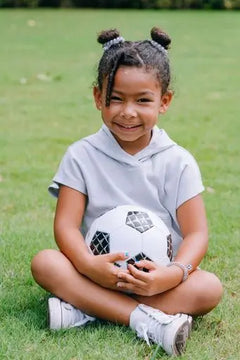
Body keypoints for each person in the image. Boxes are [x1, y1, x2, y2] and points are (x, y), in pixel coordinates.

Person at [31, 27, 223, 357]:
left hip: (156, 280)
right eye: (116, 98)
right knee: (46, 263)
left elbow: (196, 234)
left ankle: (88, 310)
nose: (128, 112)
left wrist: (171, 274)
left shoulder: (177, 161)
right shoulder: (81, 155)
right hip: (95, 272)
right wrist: (89, 266)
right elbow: (65, 226)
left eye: (143, 100)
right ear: (97, 97)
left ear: (164, 101)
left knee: (209, 288)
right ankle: (146, 320)